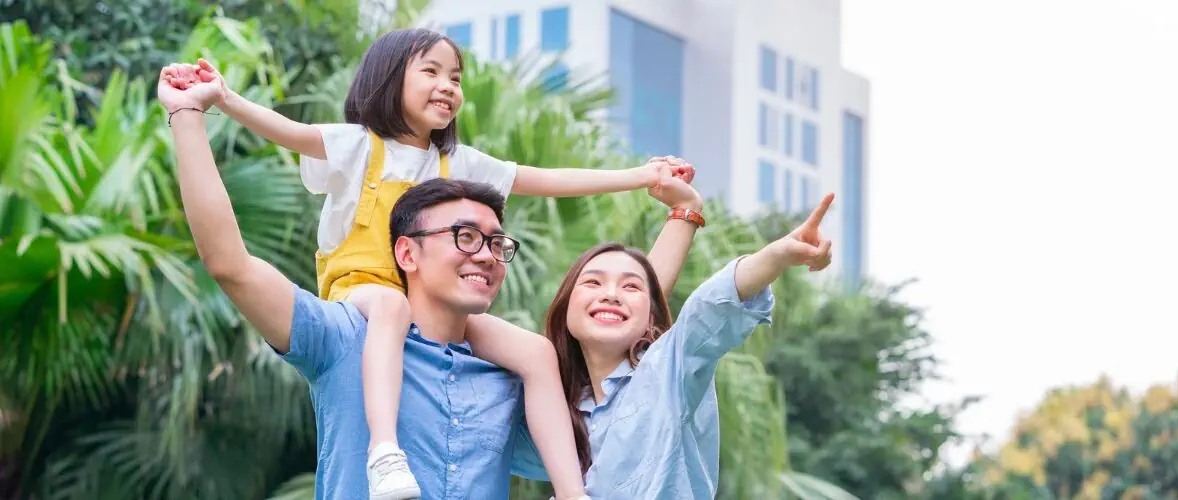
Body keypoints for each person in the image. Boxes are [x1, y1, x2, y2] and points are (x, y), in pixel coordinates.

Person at [160, 27, 692, 499]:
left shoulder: (506, 383)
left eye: (495, 241)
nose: (484, 252)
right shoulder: (344, 338)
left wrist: (649, 184)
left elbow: (621, 290)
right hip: (362, 288)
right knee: (389, 307)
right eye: (463, 236)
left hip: (412, 310)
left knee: (534, 349)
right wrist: (206, 104)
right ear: (406, 250)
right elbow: (238, 243)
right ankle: (385, 450)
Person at [508, 187, 836, 497]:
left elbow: (706, 309)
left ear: (650, 318)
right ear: (565, 306)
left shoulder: (667, 371)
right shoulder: (556, 414)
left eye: (631, 287)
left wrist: (778, 255)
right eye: (593, 282)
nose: (610, 295)